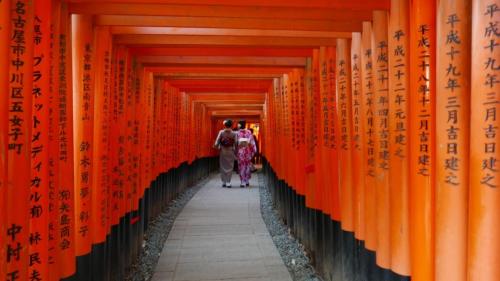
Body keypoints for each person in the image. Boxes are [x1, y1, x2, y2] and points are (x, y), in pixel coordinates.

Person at [213, 119, 237, 188]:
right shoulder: (234, 133)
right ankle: (228, 182)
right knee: (230, 166)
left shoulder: (221, 132)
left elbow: (217, 141)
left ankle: (223, 181)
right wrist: (235, 150)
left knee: (223, 165)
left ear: (225, 125)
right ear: (231, 125)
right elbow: (236, 142)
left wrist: (216, 146)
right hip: (230, 151)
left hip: (223, 151)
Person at [235, 120, 256, 187]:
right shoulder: (249, 132)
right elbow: (252, 143)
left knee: (241, 166)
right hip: (248, 151)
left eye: (238, 124)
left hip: (240, 152)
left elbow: (235, 143)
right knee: (247, 165)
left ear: (240, 125)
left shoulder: (237, 133)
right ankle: (247, 181)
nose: (237, 125)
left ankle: (243, 182)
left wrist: (235, 151)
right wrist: (254, 150)